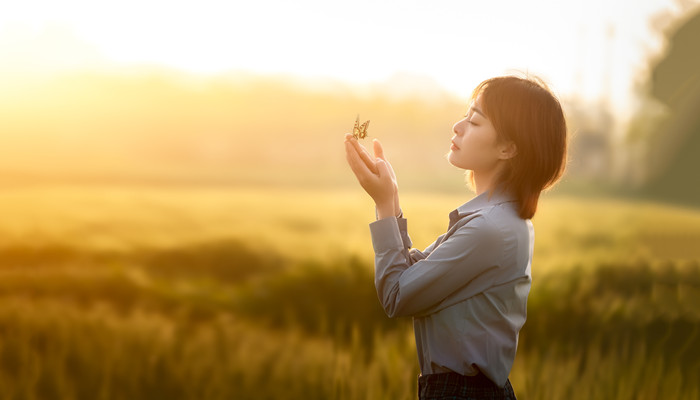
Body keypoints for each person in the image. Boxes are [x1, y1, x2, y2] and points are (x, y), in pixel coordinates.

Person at [344, 75, 567, 400]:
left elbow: (396, 294)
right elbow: (412, 274)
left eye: (475, 121)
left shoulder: (489, 229)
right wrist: (390, 198)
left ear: (508, 147)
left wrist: (382, 205)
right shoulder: (495, 221)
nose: (458, 126)